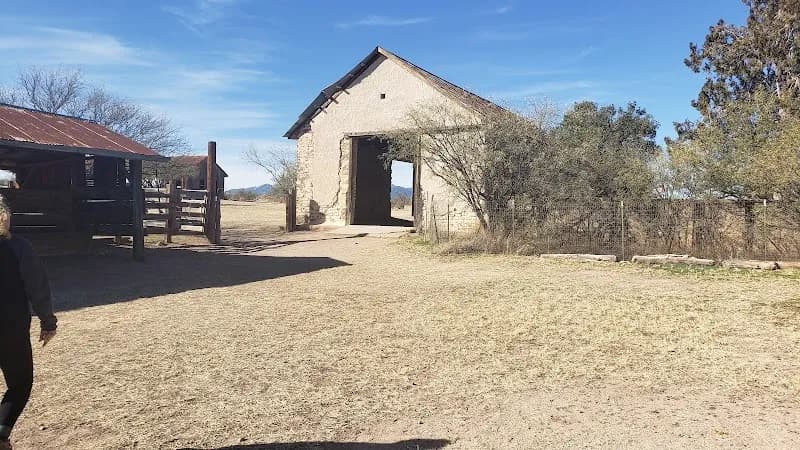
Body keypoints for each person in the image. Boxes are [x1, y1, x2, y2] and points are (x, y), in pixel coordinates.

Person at [0, 195, 57, 450]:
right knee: (20, 383)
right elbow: (37, 286)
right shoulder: (19, 248)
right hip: (10, 327)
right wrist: (48, 322)